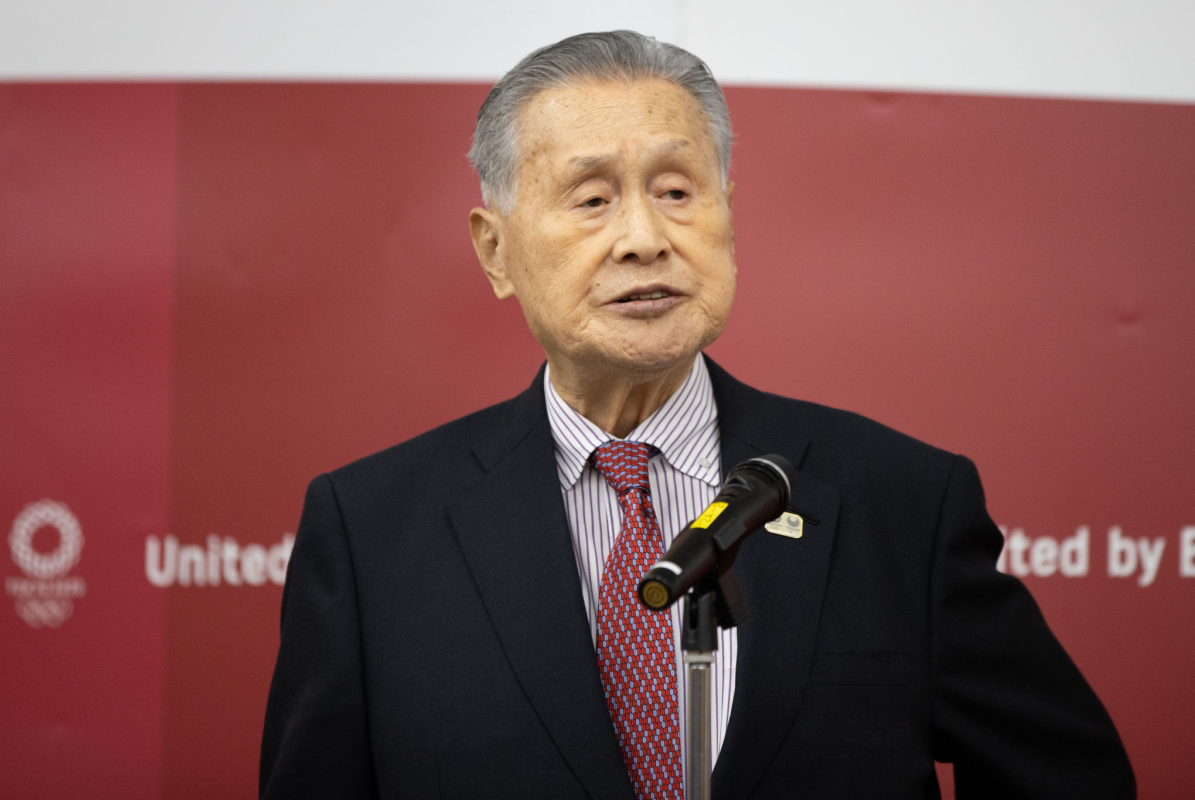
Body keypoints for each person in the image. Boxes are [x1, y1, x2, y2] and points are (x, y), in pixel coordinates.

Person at [260, 30, 1134, 799]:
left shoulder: (901, 500)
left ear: (726, 215)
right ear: (497, 251)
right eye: (593, 198)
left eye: (678, 190)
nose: (645, 236)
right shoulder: (371, 531)